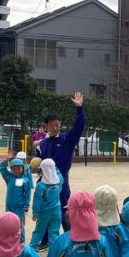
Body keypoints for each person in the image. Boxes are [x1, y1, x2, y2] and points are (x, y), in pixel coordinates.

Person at [34, 92, 85, 230]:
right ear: (46, 126)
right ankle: (45, 239)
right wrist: (35, 168)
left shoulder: (67, 138)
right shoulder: (42, 144)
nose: (55, 127)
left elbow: (79, 126)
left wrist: (79, 108)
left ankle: (70, 236)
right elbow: (37, 162)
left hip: (62, 181)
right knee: (45, 211)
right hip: (45, 182)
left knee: (66, 210)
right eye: (52, 125)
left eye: (57, 124)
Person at [30, 158, 63, 250]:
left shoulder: (41, 185)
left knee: (38, 232)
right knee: (54, 232)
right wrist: (53, 166)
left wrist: (35, 214)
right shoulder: (60, 180)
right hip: (57, 210)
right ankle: (54, 252)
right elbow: (58, 172)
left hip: (44, 212)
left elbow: (37, 202)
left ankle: (32, 249)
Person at [0, 156, 33, 241]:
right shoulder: (9, 177)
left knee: (20, 224)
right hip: (9, 206)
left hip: (19, 207)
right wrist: (6, 160)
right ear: (11, 169)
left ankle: (21, 240)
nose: (17, 170)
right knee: (8, 223)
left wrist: (26, 205)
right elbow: (2, 169)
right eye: (14, 169)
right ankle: (10, 239)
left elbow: (28, 194)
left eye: (19, 168)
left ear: (23, 168)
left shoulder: (25, 180)